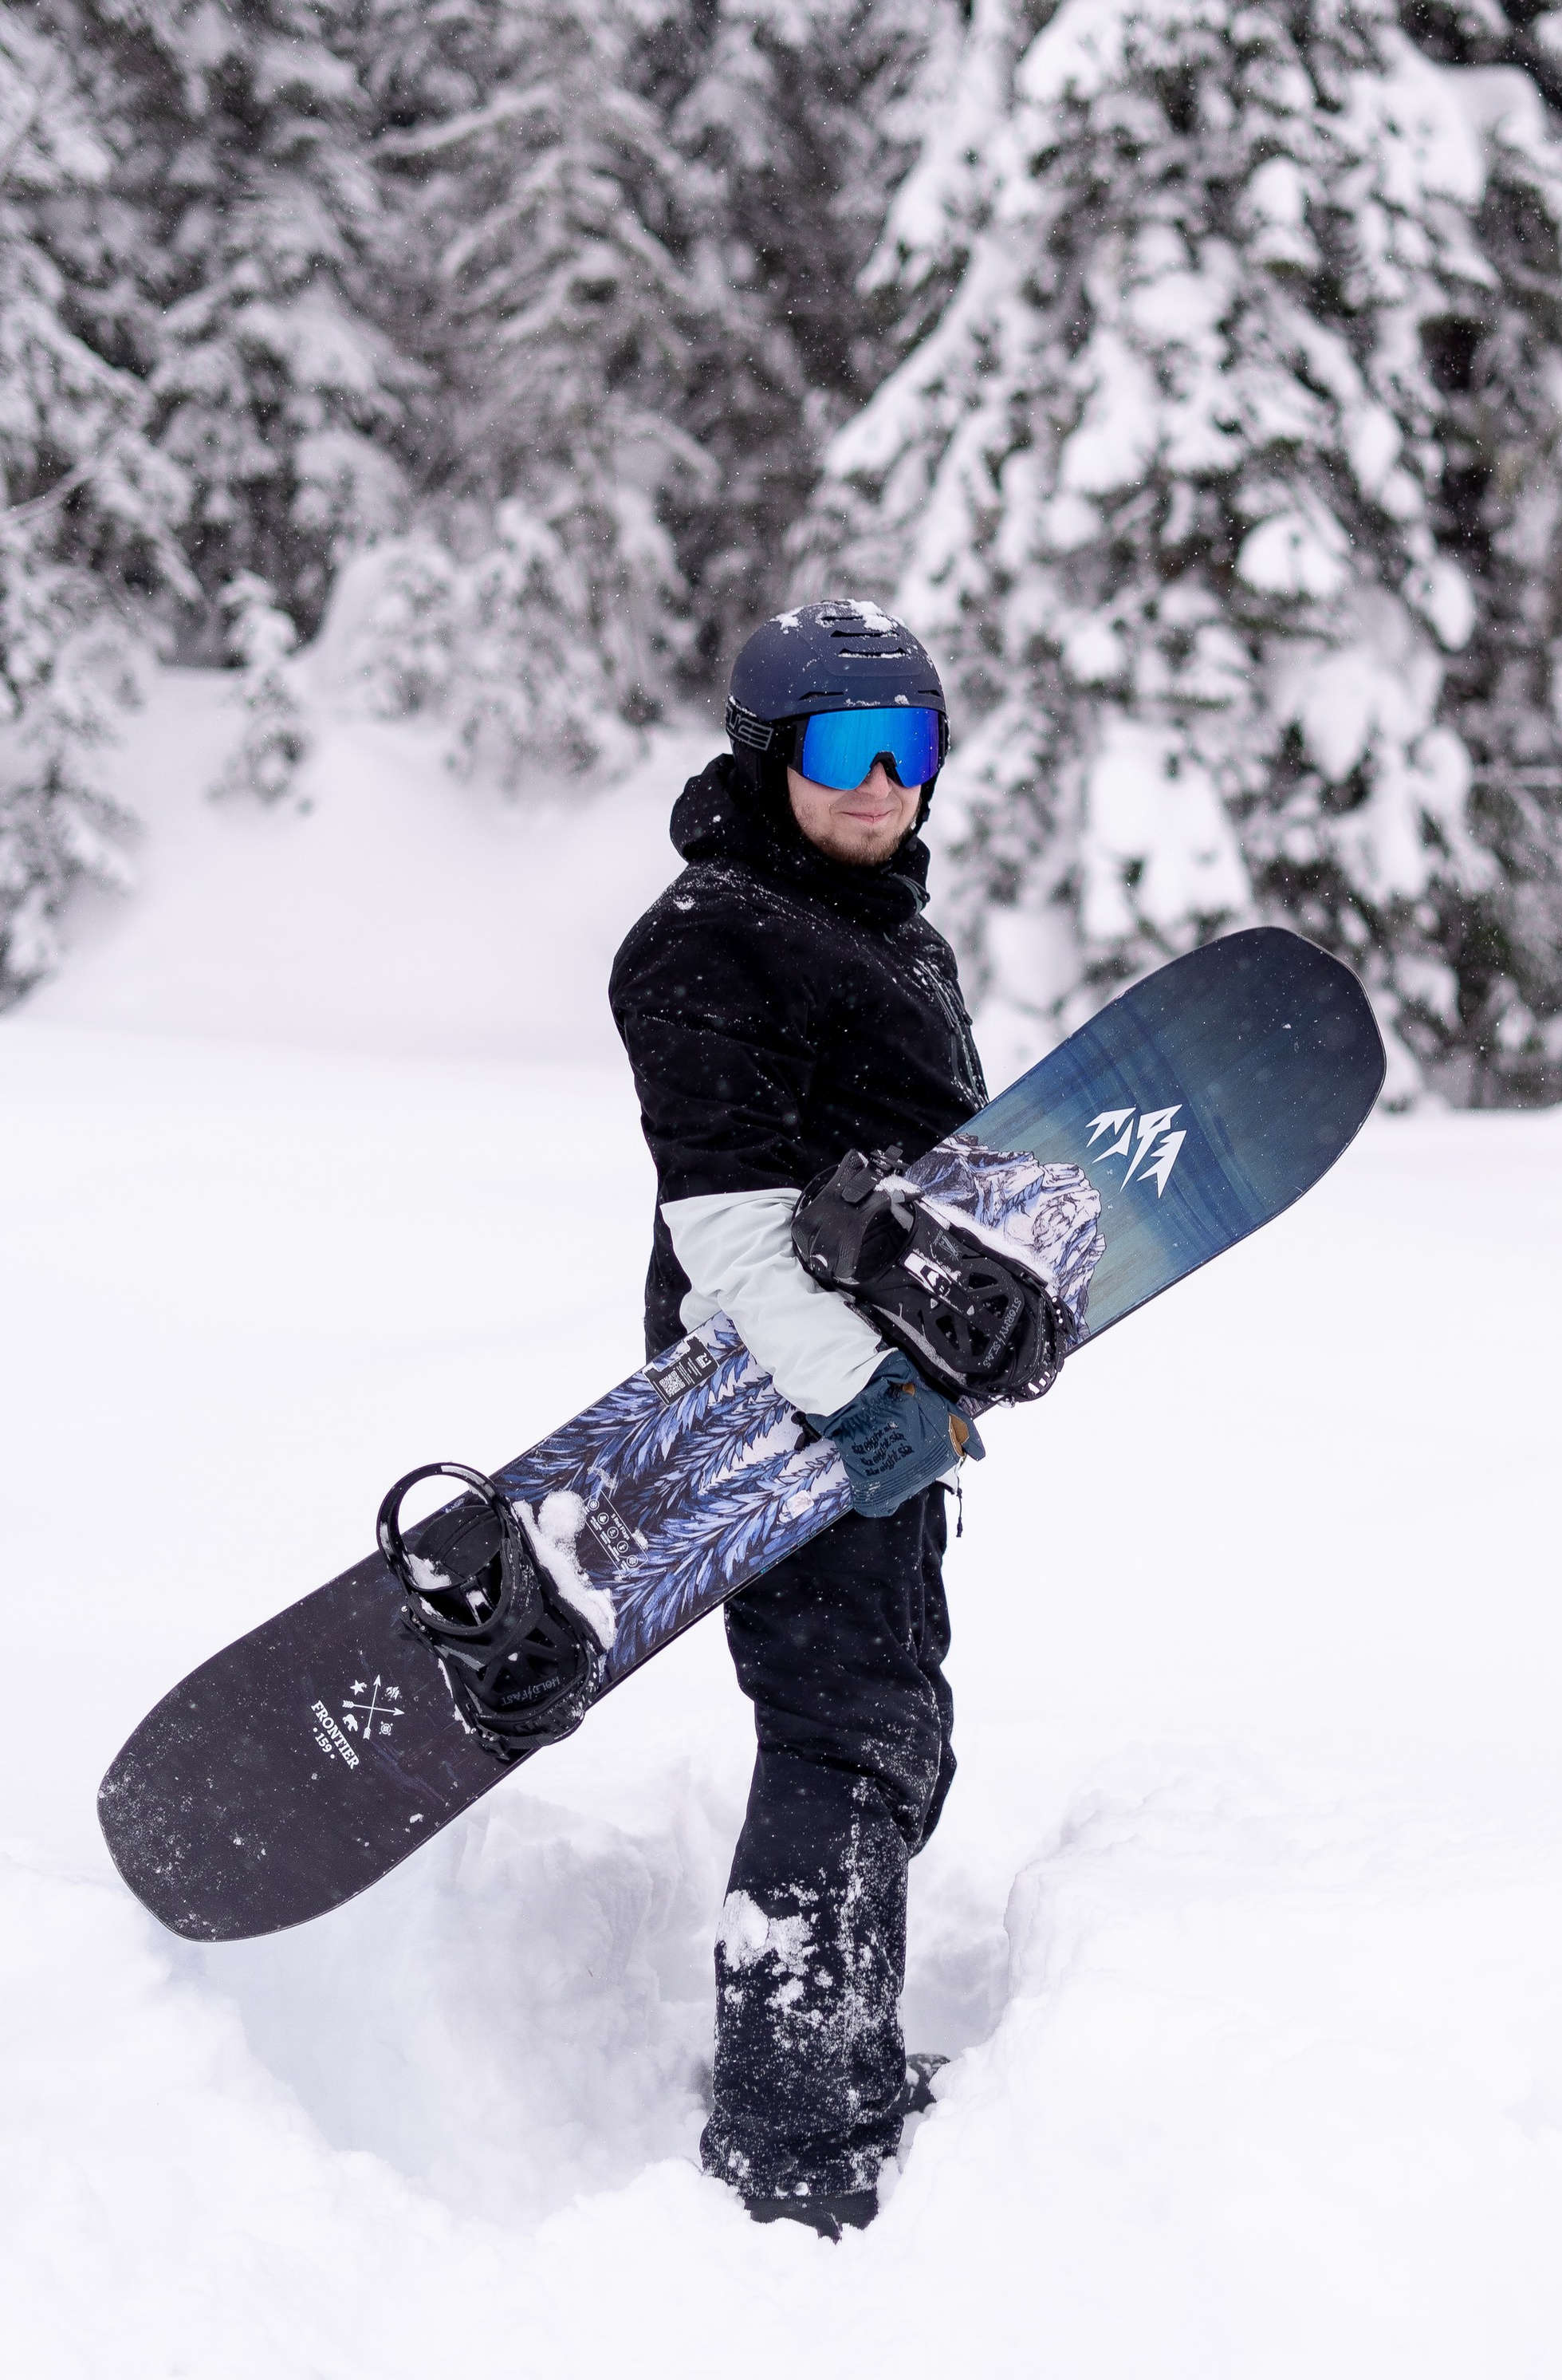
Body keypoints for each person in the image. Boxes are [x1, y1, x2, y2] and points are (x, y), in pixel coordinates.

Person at [608, 598, 988, 2239]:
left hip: (874, 1398)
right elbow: (733, 1236)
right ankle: (796, 2130)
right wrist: (867, 1409)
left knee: (892, 1721)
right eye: (845, 750)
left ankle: (834, 2053)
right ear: (768, 758)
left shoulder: (881, 927)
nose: (882, 784)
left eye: (911, 750)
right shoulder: (706, 940)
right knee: (843, 1730)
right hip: (780, 1406)